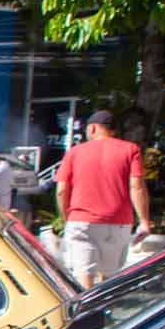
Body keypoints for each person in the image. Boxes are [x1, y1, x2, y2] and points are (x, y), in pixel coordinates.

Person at [56, 109, 150, 286]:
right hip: (119, 222)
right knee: (109, 277)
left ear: (92, 128)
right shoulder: (130, 149)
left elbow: (61, 190)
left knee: (84, 273)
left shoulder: (75, 152)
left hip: (82, 221)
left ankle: (86, 303)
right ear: (113, 130)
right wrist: (144, 221)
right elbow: (137, 187)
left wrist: (66, 218)